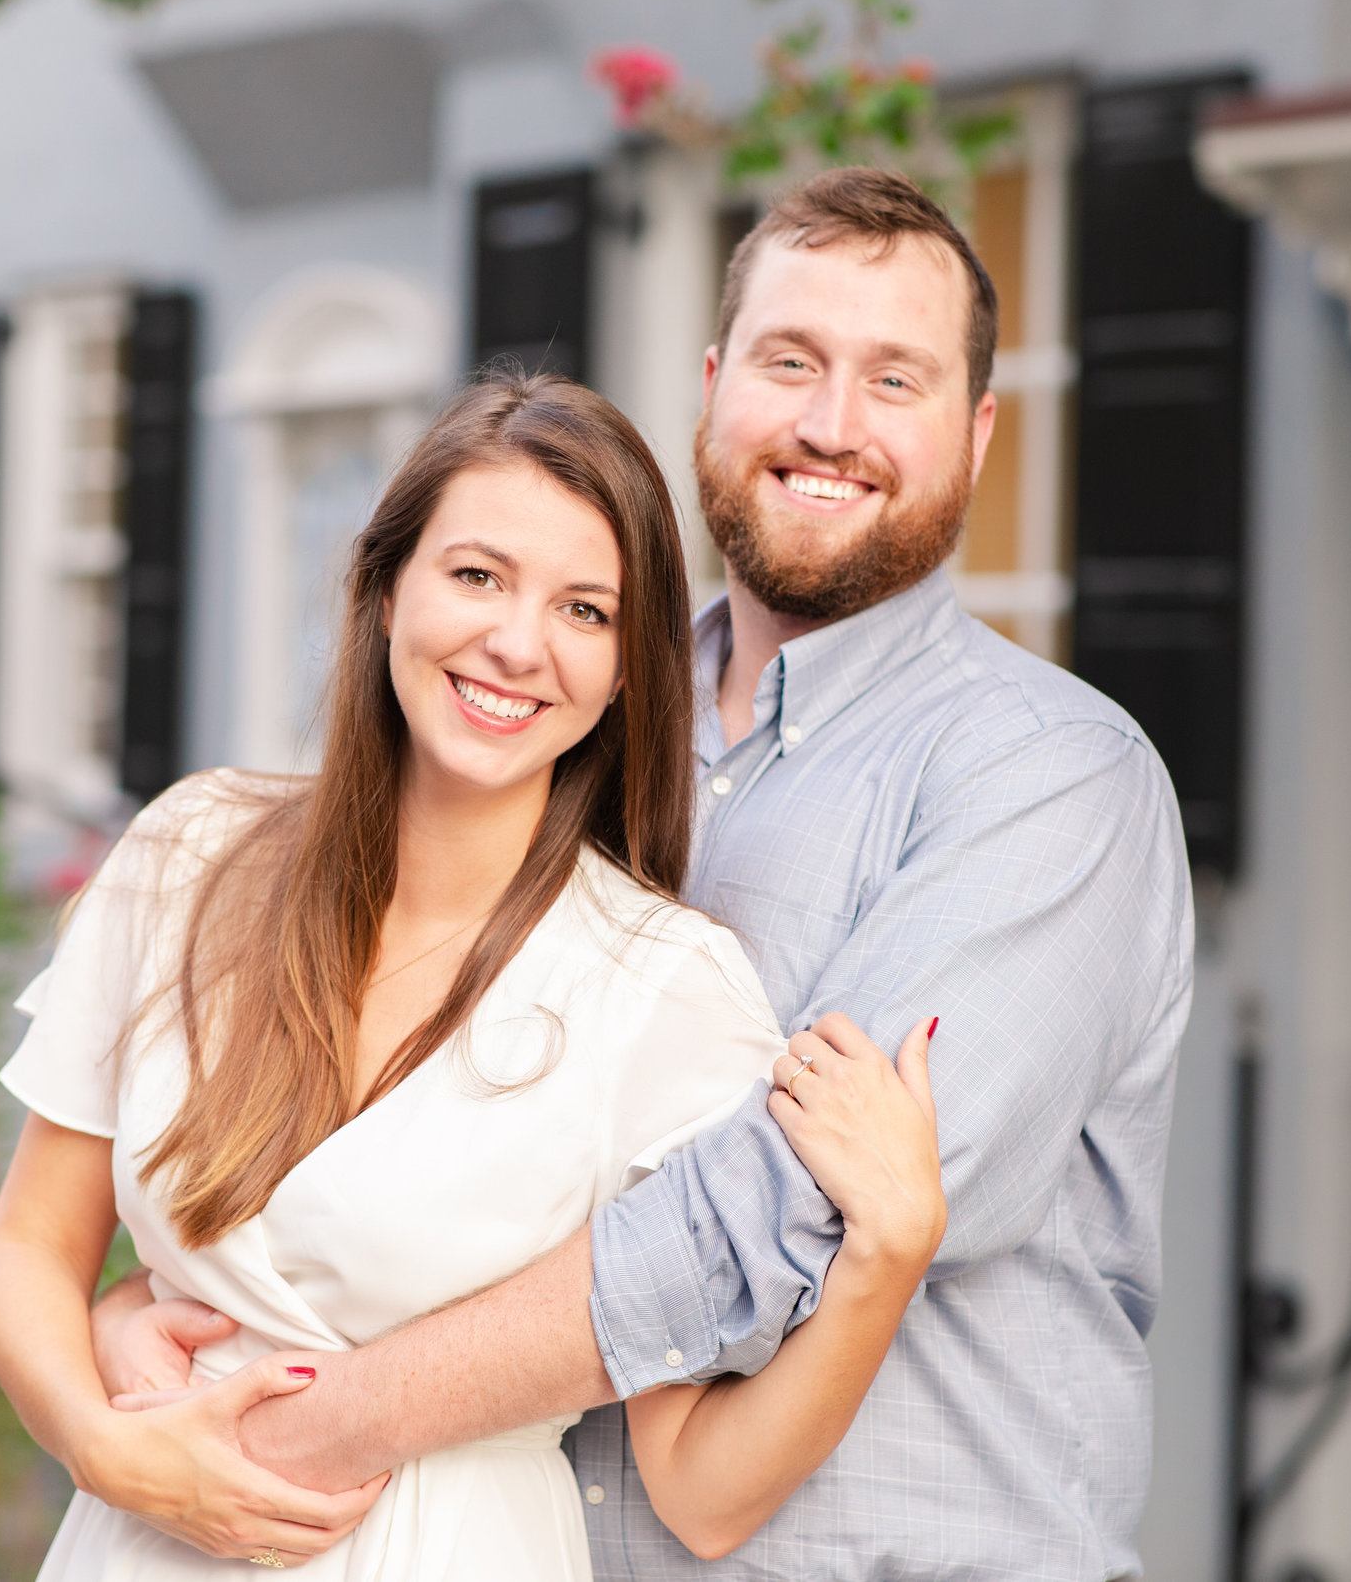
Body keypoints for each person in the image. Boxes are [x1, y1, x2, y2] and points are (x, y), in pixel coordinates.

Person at [91, 167, 1196, 1579]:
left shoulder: (1048, 776)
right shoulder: (572, 709)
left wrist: (312, 1421)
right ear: (714, 383)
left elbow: (778, 1210)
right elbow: (383, 1117)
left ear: (979, 432)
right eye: (791, 361)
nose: (829, 424)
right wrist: (157, 1315)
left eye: (896, 380)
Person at [0, 370, 950, 1579]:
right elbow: (26, 1250)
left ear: (629, 671)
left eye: (585, 610)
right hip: (133, 1543)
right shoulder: (186, 856)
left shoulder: (664, 988)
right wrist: (107, 1452)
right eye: (476, 575)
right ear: (385, 591)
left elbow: (703, 1490)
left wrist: (886, 1256)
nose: (517, 642)